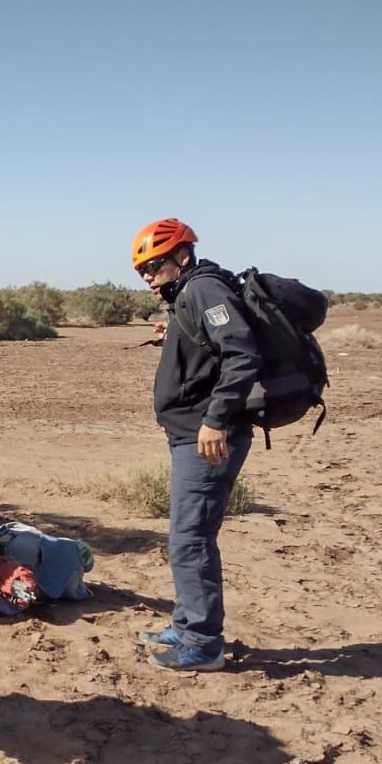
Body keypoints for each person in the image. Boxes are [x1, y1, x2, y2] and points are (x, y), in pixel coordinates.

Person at [131, 217, 263, 671]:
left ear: (181, 256)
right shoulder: (187, 295)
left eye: (154, 266)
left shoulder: (203, 290)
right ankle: (187, 623)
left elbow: (242, 354)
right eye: (141, 272)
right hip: (191, 436)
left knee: (190, 540)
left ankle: (203, 644)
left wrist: (216, 419)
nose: (148, 278)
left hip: (206, 439)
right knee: (185, 535)